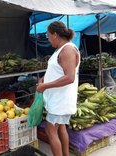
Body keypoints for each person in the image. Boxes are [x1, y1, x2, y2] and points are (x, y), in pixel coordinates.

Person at [36, 21, 80, 156]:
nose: (48, 39)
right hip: (58, 98)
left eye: (49, 36)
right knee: (61, 129)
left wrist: (45, 86)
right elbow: (56, 70)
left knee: (51, 131)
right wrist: (44, 78)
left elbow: (69, 77)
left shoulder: (68, 49)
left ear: (55, 35)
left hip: (61, 100)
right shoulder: (60, 49)